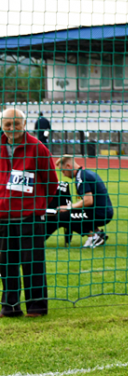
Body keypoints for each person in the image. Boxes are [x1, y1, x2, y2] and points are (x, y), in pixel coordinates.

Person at [0, 108, 58, 318]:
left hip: (30, 217)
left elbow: (51, 182)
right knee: (6, 264)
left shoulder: (38, 147)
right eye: (7, 124)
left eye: (16, 124)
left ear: (24, 124)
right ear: (2, 126)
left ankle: (36, 307)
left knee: (33, 263)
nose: (12, 128)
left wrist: (37, 205)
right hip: (4, 218)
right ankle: (10, 306)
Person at [48, 155, 113, 248]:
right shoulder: (85, 173)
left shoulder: (81, 177)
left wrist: (68, 207)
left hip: (101, 213)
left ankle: (94, 237)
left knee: (62, 216)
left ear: (68, 166)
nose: (64, 175)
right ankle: (97, 233)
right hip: (104, 211)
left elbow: (88, 201)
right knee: (70, 212)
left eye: (63, 171)